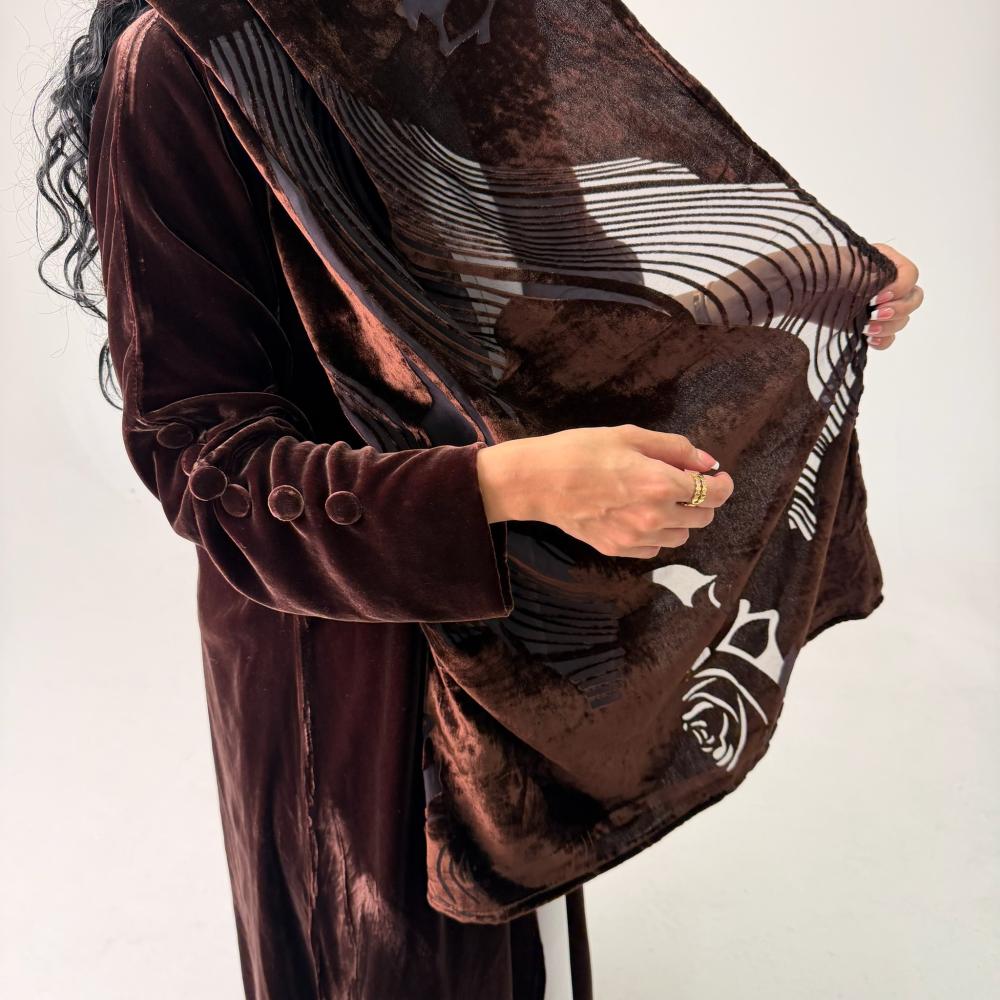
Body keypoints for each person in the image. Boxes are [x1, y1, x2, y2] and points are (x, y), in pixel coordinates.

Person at [34, 4, 923, 999]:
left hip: (516, 646)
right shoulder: (179, 60)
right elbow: (210, 472)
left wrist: (808, 293)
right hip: (342, 676)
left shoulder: (467, 22)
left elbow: (574, 316)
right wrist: (513, 483)